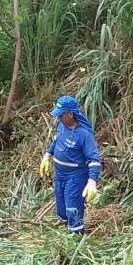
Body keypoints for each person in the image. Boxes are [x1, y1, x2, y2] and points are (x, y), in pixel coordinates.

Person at [39, 96, 101, 234]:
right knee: (61, 207)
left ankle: (76, 236)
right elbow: (57, 141)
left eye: (61, 115)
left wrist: (92, 182)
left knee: (72, 208)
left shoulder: (84, 135)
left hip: (75, 177)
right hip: (59, 174)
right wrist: (48, 155)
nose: (58, 118)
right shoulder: (61, 125)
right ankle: (67, 228)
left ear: (70, 114)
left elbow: (94, 159)